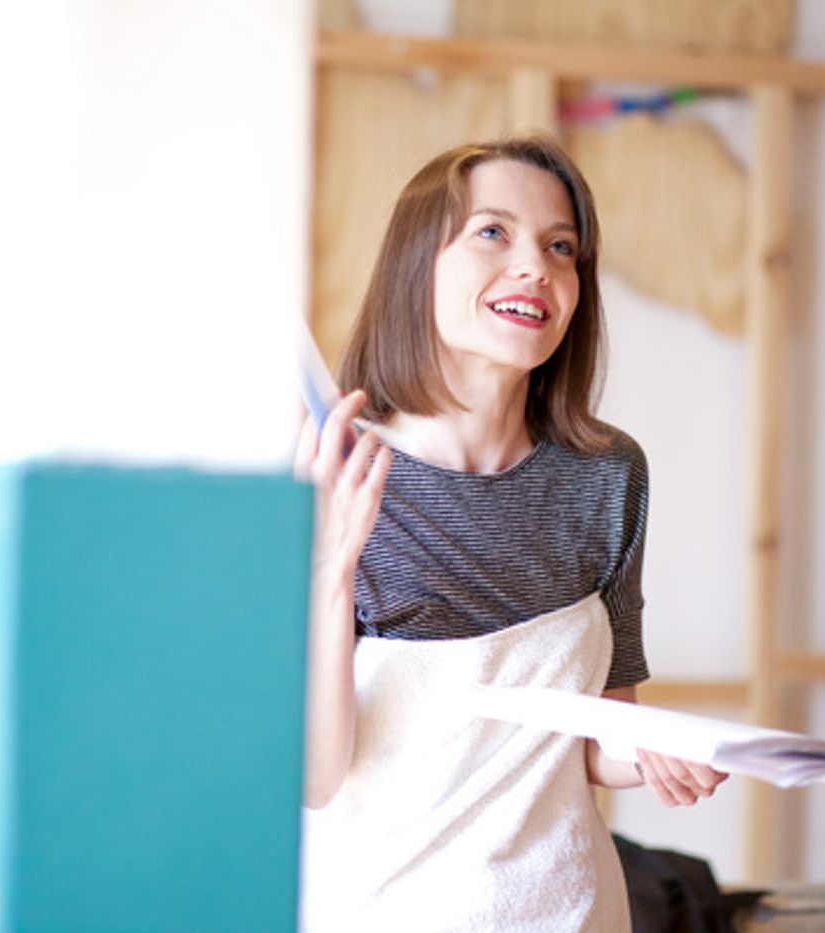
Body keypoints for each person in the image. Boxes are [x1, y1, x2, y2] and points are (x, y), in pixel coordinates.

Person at [295, 136, 727, 933]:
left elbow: (593, 736)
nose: (537, 266)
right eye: (493, 232)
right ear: (418, 262)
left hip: (569, 910)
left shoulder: (607, 476)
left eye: (561, 247)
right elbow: (316, 776)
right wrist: (329, 566)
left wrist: (675, 748)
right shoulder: (336, 471)